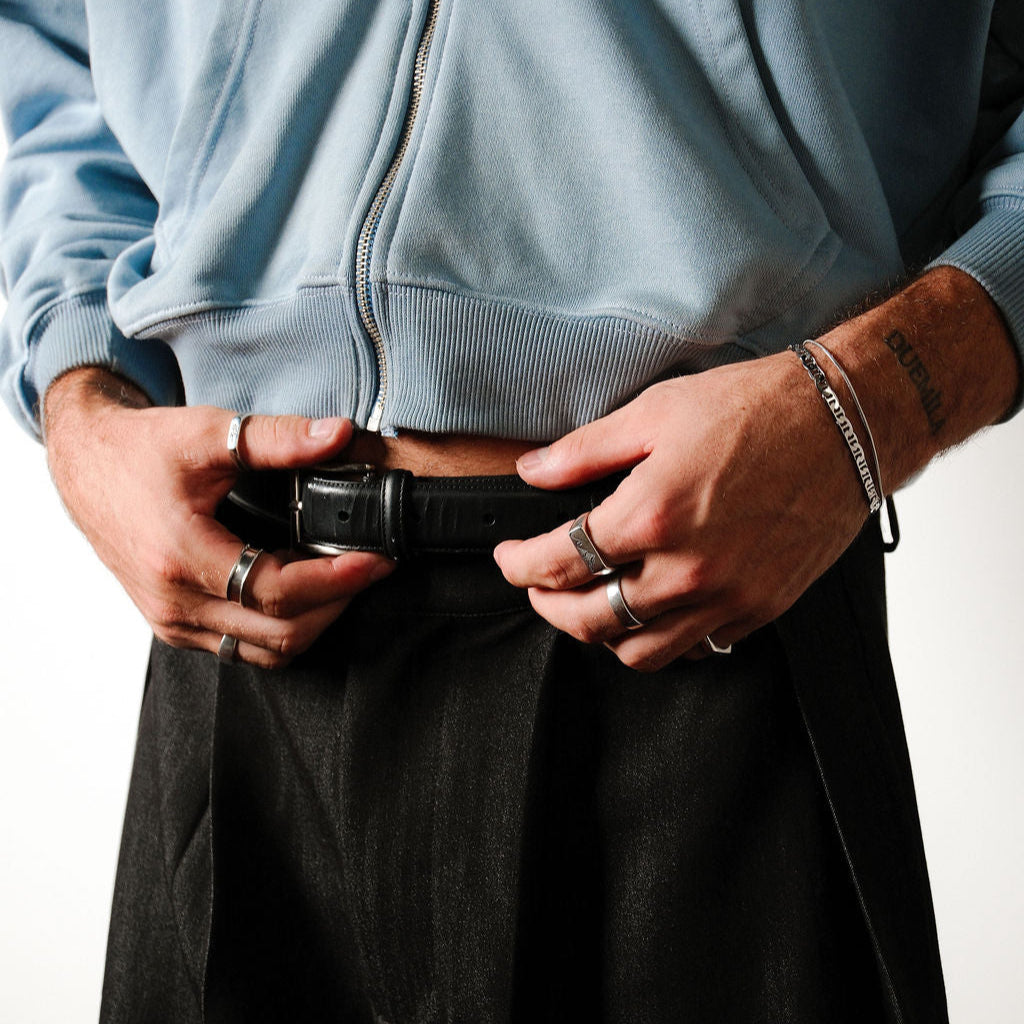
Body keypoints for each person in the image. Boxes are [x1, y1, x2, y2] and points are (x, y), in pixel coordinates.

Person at [1, 1, 1021, 1022]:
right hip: (245, 640)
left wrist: (876, 398)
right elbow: (56, 43)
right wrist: (80, 388)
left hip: (695, 636)